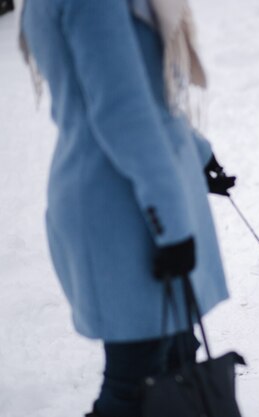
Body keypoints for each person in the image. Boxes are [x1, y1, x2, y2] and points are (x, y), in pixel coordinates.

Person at [19, 0, 236, 416]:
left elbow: (148, 99)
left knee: (176, 355)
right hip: (123, 208)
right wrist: (170, 223)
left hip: (134, 192)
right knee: (135, 380)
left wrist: (198, 153)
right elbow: (121, 112)